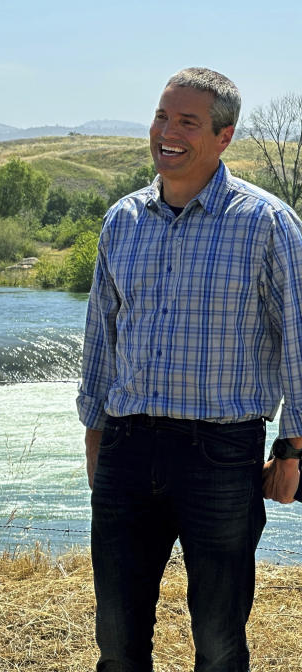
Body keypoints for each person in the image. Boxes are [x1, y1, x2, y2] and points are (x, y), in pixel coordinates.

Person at [77, 67, 302, 672]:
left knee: (219, 642)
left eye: (187, 122)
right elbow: (102, 335)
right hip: (126, 448)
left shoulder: (266, 223)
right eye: (161, 116)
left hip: (221, 455)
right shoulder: (122, 221)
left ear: (224, 137)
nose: (167, 132)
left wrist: (294, 447)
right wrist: (95, 431)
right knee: (118, 644)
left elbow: (300, 343)